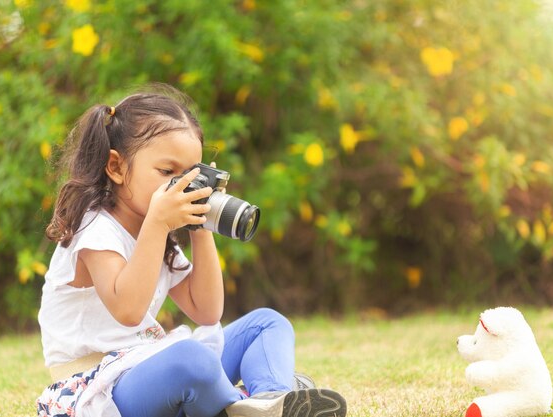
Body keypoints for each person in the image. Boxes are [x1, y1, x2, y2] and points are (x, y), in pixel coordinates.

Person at [35, 84, 346, 417]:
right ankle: (239, 404)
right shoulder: (95, 228)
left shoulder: (156, 230)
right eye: (167, 172)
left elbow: (206, 310)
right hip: (100, 390)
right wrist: (157, 224)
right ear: (116, 167)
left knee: (267, 324)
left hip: (150, 370)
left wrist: (202, 224)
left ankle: (270, 400)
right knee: (190, 358)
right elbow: (128, 310)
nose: (179, 185)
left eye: (190, 176)